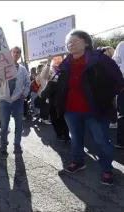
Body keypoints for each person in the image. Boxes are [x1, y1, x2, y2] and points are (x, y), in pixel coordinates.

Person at [53, 29, 124, 185]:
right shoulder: (64, 64)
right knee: (76, 138)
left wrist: (107, 97)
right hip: (71, 110)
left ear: (86, 42)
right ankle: (78, 161)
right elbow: (59, 85)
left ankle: (106, 169)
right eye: (68, 43)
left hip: (96, 110)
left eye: (75, 41)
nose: (70, 44)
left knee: (101, 141)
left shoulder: (100, 59)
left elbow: (118, 79)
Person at [0, 46, 31, 155]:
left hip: (18, 101)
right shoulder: (3, 68)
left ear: (20, 55)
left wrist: (25, 93)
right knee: (4, 125)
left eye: (18, 52)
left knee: (19, 123)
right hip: (5, 101)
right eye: (14, 52)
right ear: (10, 53)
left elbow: (27, 83)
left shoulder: (23, 69)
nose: (16, 54)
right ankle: (3, 145)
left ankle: (17, 145)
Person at [41, 56, 71, 142]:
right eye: (55, 59)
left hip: (63, 98)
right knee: (54, 117)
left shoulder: (66, 69)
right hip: (52, 99)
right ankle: (59, 134)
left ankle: (66, 134)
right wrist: (48, 62)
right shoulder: (50, 70)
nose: (57, 61)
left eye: (59, 59)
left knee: (63, 117)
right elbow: (43, 76)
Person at [113, 41, 124, 148]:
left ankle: (121, 141)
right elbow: (115, 63)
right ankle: (121, 141)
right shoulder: (122, 45)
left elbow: (115, 63)